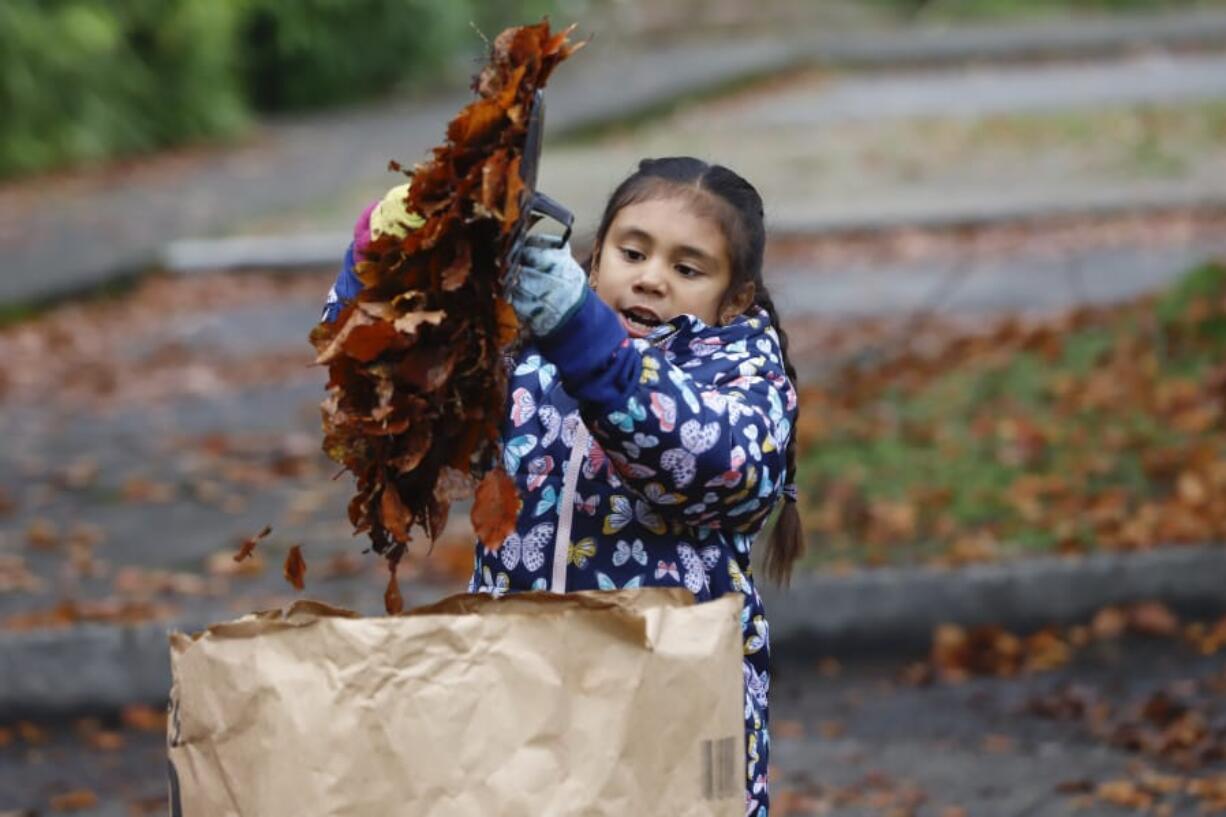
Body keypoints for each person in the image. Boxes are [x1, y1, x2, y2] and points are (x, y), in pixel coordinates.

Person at [323, 157, 801, 815]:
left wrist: (584, 334)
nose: (652, 279)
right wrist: (377, 261)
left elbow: (710, 462)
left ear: (737, 296)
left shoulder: (742, 379)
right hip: (521, 704)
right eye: (633, 252)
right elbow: (386, 394)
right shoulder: (524, 356)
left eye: (688, 269)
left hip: (669, 720)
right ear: (595, 253)